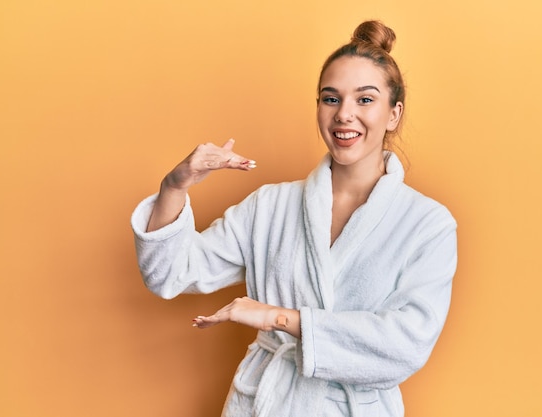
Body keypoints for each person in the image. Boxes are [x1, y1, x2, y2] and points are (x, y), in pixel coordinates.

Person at [132, 20, 457, 417]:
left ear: (394, 113)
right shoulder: (271, 206)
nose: (344, 115)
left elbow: (406, 343)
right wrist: (174, 185)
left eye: (365, 100)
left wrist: (280, 317)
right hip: (266, 404)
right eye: (331, 98)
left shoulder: (428, 224)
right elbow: (170, 274)